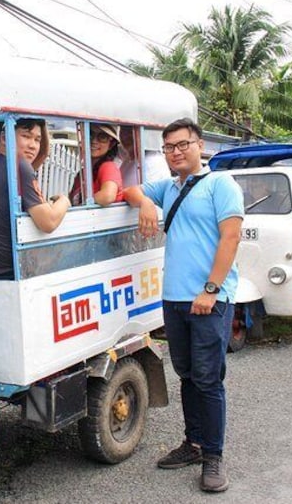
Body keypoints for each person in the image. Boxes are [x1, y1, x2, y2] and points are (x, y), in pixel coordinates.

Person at [123, 117, 243, 493]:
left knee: (208, 380)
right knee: (187, 376)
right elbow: (127, 191)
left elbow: (231, 237)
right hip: (174, 299)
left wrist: (210, 289)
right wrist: (144, 202)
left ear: (199, 145)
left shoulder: (220, 184)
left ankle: (213, 456)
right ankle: (192, 444)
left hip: (209, 299)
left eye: (183, 144)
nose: (176, 152)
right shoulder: (170, 188)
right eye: (169, 147)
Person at [0, 118, 69, 279]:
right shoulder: (18, 167)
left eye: (37, 140)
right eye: (26, 136)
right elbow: (49, 222)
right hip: (7, 274)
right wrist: (64, 201)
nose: (33, 145)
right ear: (5, 138)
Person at [69, 123, 125, 206]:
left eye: (102, 137)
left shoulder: (108, 167)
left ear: (111, 144)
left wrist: (83, 205)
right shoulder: (82, 174)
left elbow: (108, 196)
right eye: (90, 134)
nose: (94, 141)